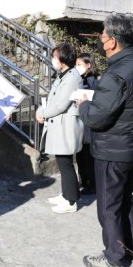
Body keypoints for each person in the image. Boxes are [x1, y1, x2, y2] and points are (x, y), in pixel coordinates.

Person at [77, 14, 133, 267]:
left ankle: (114, 258)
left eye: (102, 34)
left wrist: (84, 105)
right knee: (125, 200)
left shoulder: (116, 74)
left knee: (109, 205)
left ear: (112, 41)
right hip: (132, 148)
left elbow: (97, 117)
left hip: (112, 150)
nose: (100, 39)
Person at [37, 42, 84, 213]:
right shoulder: (63, 75)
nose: (53, 60)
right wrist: (42, 110)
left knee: (66, 164)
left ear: (62, 59)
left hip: (66, 125)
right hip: (60, 124)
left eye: (55, 56)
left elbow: (60, 105)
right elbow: (54, 101)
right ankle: (65, 195)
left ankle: (71, 201)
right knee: (63, 162)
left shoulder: (71, 77)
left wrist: (43, 113)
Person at [75, 53, 99, 195]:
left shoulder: (93, 81)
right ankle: (84, 180)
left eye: (79, 64)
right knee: (80, 154)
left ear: (88, 65)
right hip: (81, 120)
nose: (77, 67)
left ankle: (91, 183)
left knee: (87, 156)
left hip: (88, 124)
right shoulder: (80, 79)